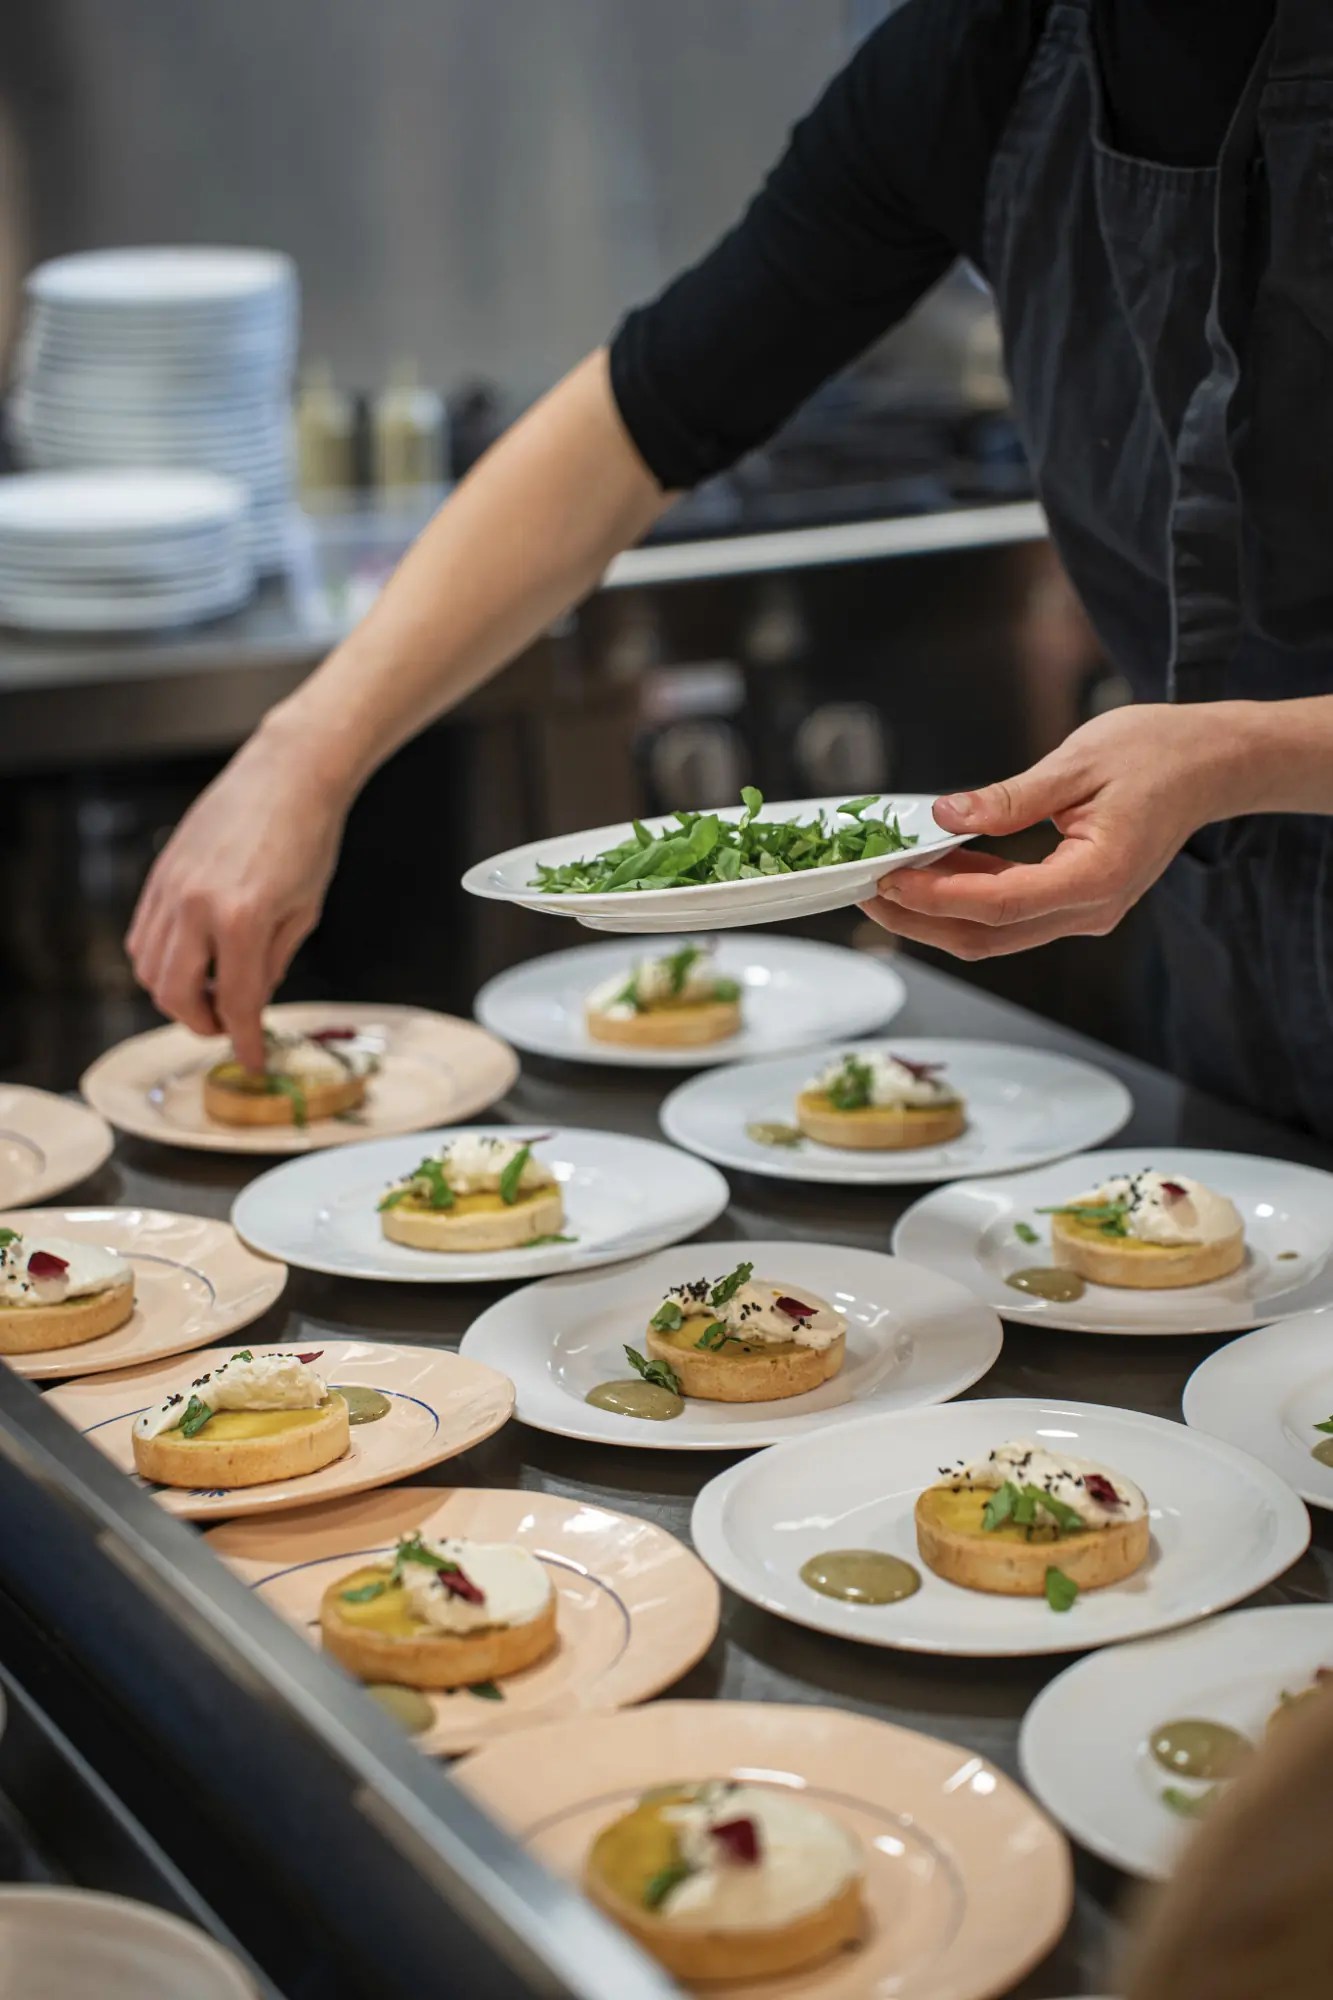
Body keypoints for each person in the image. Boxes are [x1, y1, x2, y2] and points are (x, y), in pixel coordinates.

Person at [130, 0, 1333, 1133]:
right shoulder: (998, 48)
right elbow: (639, 418)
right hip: (1234, 979)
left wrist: (1237, 755)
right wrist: (303, 755)